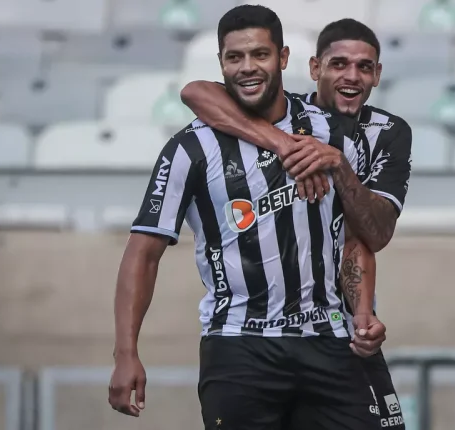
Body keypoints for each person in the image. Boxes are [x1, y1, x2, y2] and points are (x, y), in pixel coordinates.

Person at [108, 5, 386, 430]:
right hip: (239, 348)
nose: (247, 68)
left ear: (284, 58)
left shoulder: (336, 136)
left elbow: (353, 238)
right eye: (234, 57)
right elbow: (142, 254)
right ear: (221, 63)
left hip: (329, 342)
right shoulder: (189, 149)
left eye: (260, 55)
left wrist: (362, 309)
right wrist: (125, 352)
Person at [180, 18, 412, 430]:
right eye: (338, 64)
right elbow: (195, 91)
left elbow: (370, 235)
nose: (351, 76)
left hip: (341, 331)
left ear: (377, 74)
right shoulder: (284, 113)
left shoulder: (388, 132)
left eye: (364, 66)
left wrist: (337, 165)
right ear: (313, 68)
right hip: (254, 336)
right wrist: (285, 144)